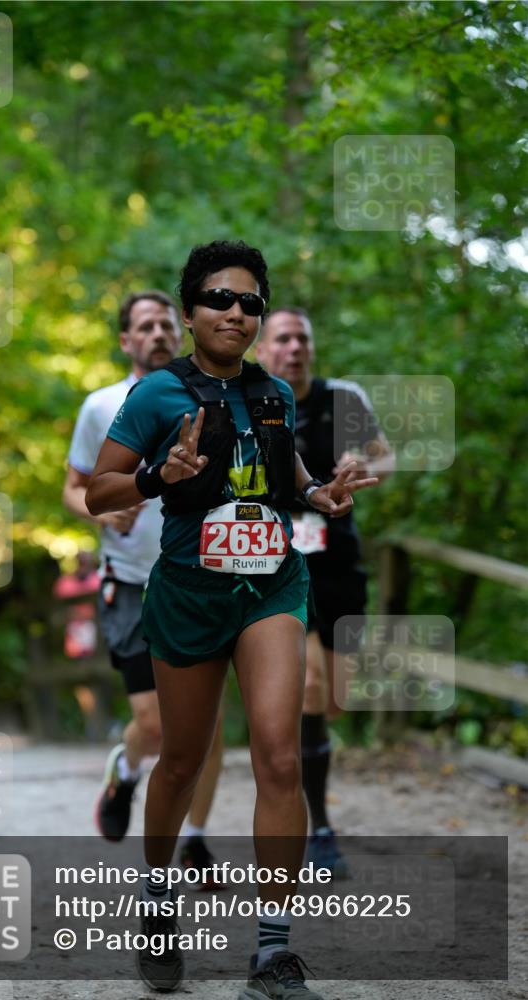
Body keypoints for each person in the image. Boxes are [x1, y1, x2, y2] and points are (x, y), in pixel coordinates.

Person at [87, 241, 378, 999]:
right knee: (181, 761)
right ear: (189, 312)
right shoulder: (156, 393)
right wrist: (158, 474)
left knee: (279, 757)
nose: (237, 314)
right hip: (186, 593)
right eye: (220, 299)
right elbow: (99, 493)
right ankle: (155, 900)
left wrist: (322, 495)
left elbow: (292, 482)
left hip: (271, 587)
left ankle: (271, 955)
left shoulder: (275, 395)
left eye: (251, 302)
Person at [63, 289, 224, 882]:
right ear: (126, 339)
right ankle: (126, 769)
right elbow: (75, 486)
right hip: (131, 579)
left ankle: (196, 842)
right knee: (157, 724)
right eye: (144, 326)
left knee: (206, 724)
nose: (157, 333)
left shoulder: (211, 398)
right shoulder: (101, 405)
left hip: (204, 580)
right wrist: (100, 513)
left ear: (178, 331)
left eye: (164, 324)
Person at [256, 308, 394, 876]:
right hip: (279, 562)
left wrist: (364, 461)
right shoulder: (255, 402)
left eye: (302, 338)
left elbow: (386, 454)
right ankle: (319, 825)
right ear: (263, 349)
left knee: (335, 696)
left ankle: (295, 753)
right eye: (283, 339)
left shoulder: (345, 398)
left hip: (338, 561)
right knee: (312, 683)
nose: (294, 348)